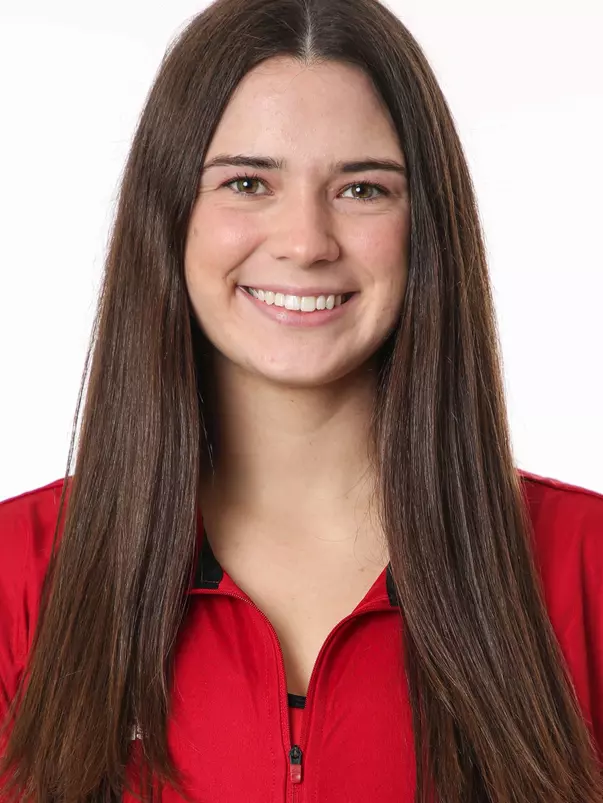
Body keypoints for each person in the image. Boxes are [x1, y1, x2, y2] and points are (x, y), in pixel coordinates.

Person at [0, 0, 601, 801]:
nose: (306, 241)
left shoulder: (584, 562)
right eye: (247, 182)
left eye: (362, 188)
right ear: (170, 214)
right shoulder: (17, 571)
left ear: (425, 226)